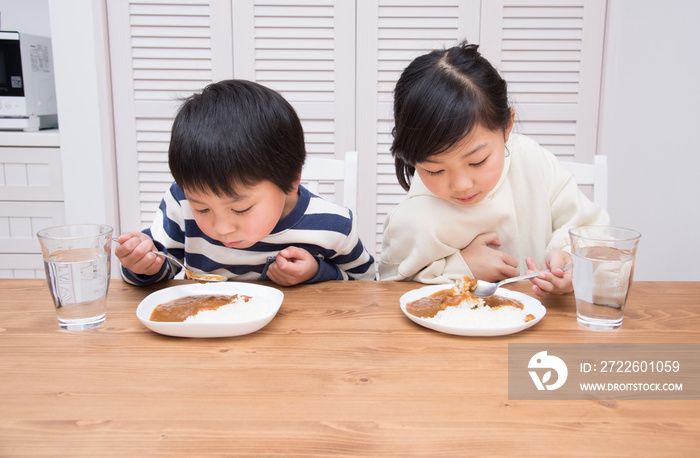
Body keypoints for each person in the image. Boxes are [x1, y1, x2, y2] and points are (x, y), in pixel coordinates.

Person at [378, 41, 609, 296]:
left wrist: (568, 258)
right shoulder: (412, 218)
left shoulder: (531, 161)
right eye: (435, 170)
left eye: (477, 161)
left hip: (541, 323)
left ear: (506, 127)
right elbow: (390, 290)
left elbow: (595, 232)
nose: (461, 184)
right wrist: (461, 268)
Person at [116, 79, 375, 286]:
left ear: (292, 180)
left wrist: (318, 272)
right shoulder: (181, 201)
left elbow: (366, 286)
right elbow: (162, 265)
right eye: (202, 209)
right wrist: (142, 264)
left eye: (240, 209)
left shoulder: (333, 226)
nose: (223, 228)